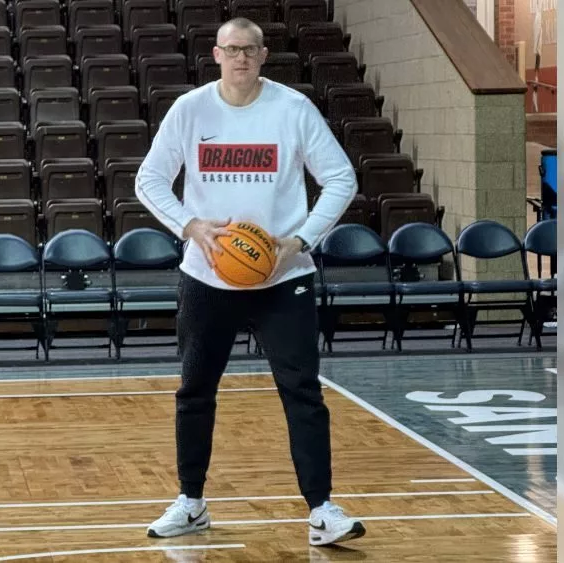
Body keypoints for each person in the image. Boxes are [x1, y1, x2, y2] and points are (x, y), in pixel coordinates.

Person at [134, 17, 365, 547]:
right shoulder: (191, 110)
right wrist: (189, 227)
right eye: (232, 49)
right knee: (195, 391)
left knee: (302, 392)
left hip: (284, 278)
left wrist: (300, 240)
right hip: (207, 276)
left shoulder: (292, 109)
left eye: (251, 50)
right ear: (215, 55)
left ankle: (322, 510)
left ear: (264, 56)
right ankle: (191, 502)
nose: (241, 58)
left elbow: (340, 178)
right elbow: (148, 180)